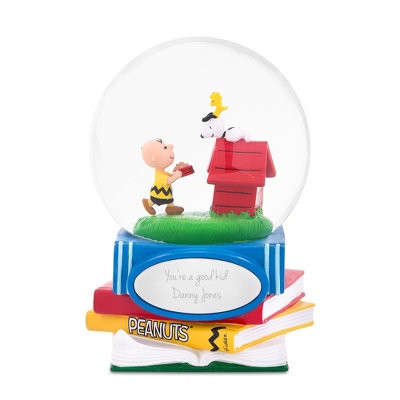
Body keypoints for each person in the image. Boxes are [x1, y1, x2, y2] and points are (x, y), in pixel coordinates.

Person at [141, 138, 187, 215]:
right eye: (165, 147)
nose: (171, 146)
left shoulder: (164, 173)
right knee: (156, 200)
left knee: (169, 200)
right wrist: (176, 176)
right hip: (159, 193)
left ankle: (170, 207)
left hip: (166, 193)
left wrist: (177, 173)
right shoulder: (159, 175)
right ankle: (148, 203)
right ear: (154, 159)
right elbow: (168, 180)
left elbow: (171, 176)